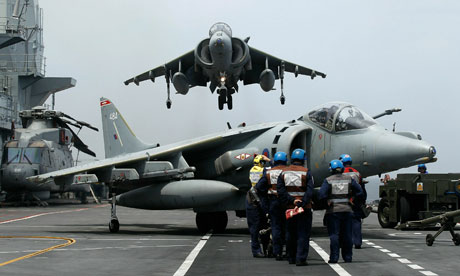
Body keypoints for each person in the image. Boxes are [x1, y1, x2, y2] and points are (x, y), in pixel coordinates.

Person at [319, 159, 363, 263]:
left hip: (333, 211)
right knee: (347, 235)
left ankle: (334, 258)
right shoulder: (349, 179)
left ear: (331, 169)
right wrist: (353, 199)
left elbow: (321, 195)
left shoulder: (328, 180)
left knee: (334, 235)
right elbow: (360, 191)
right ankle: (348, 258)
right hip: (347, 210)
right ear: (342, 169)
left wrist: (326, 202)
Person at [277, 149, 313, 266]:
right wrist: (302, 202)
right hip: (304, 208)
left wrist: (292, 200)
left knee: (290, 233)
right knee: (303, 234)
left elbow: (281, 191)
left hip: (289, 209)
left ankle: (291, 257)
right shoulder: (307, 172)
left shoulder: (283, 173)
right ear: (303, 159)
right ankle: (301, 259)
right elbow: (310, 191)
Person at [256, 151, 288, 261]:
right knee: (288, 227)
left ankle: (277, 253)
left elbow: (259, 187)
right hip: (286, 202)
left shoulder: (269, 172)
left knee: (276, 227)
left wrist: (265, 199)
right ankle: (289, 252)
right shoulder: (288, 171)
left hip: (273, 202)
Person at [339, 154, 367, 249]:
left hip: (344, 200)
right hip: (356, 200)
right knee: (356, 221)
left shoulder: (340, 174)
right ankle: (357, 242)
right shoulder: (357, 173)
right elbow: (362, 188)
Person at [246, 154, 270, 258]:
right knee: (263, 226)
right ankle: (262, 250)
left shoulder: (251, 170)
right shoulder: (263, 171)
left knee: (254, 228)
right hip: (259, 198)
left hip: (251, 198)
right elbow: (275, 167)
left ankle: (258, 250)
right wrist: (269, 160)